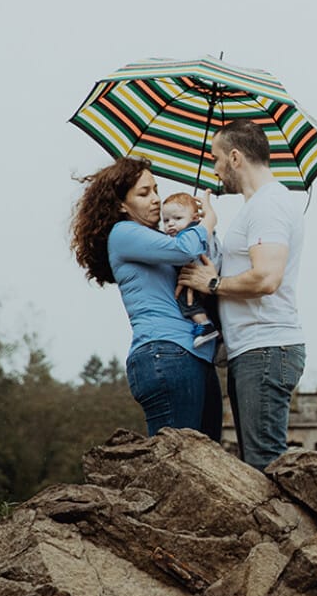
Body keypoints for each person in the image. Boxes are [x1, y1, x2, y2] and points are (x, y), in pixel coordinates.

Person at [178, 120, 305, 469]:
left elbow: (266, 278)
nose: (215, 168)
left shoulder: (269, 205)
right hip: (253, 350)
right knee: (256, 462)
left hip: (264, 348)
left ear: (235, 158)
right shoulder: (257, 207)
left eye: (216, 158)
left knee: (265, 466)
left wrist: (212, 284)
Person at [71, 155, 222, 439]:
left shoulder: (161, 241)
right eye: (144, 193)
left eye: (155, 190)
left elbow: (194, 260)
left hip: (195, 355)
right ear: (120, 204)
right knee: (180, 463)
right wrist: (205, 225)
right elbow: (184, 251)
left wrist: (190, 227)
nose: (155, 199)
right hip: (165, 353)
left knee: (207, 465)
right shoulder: (123, 233)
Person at [160, 194, 221, 347]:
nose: (171, 224)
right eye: (166, 220)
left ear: (194, 218)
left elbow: (183, 253)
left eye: (178, 218)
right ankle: (219, 337)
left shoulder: (190, 234)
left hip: (197, 276)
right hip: (213, 274)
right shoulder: (206, 231)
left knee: (184, 298)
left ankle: (204, 326)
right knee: (212, 308)